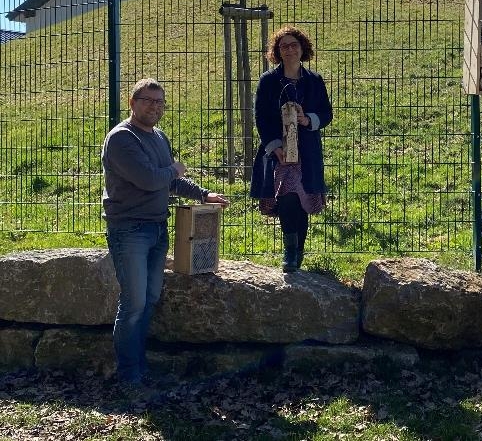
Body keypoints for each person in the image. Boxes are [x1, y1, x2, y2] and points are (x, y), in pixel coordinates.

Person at [102, 78, 229, 385]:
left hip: (157, 228)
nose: (154, 107)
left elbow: (169, 181)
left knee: (149, 299)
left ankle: (140, 367)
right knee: (133, 304)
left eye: (159, 102)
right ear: (132, 103)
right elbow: (149, 179)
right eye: (148, 100)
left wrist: (203, 194)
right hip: (129, 230)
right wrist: (174, 169)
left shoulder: (159, 136)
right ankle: (129, 376)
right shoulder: (121, 138)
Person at [250, 25, 333, 272]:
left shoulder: (314, 81)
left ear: (302, 48)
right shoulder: (268, 81)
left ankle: (298, 253)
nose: (289, 50)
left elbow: (326, 114)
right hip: (280, 153)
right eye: (283, 46)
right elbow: (260, 117)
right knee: (286, 196)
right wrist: (274, 146)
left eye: (293, 45)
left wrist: (307, 120)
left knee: (302, 200)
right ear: (277, 51)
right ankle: (289, 251)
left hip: (307, 152)